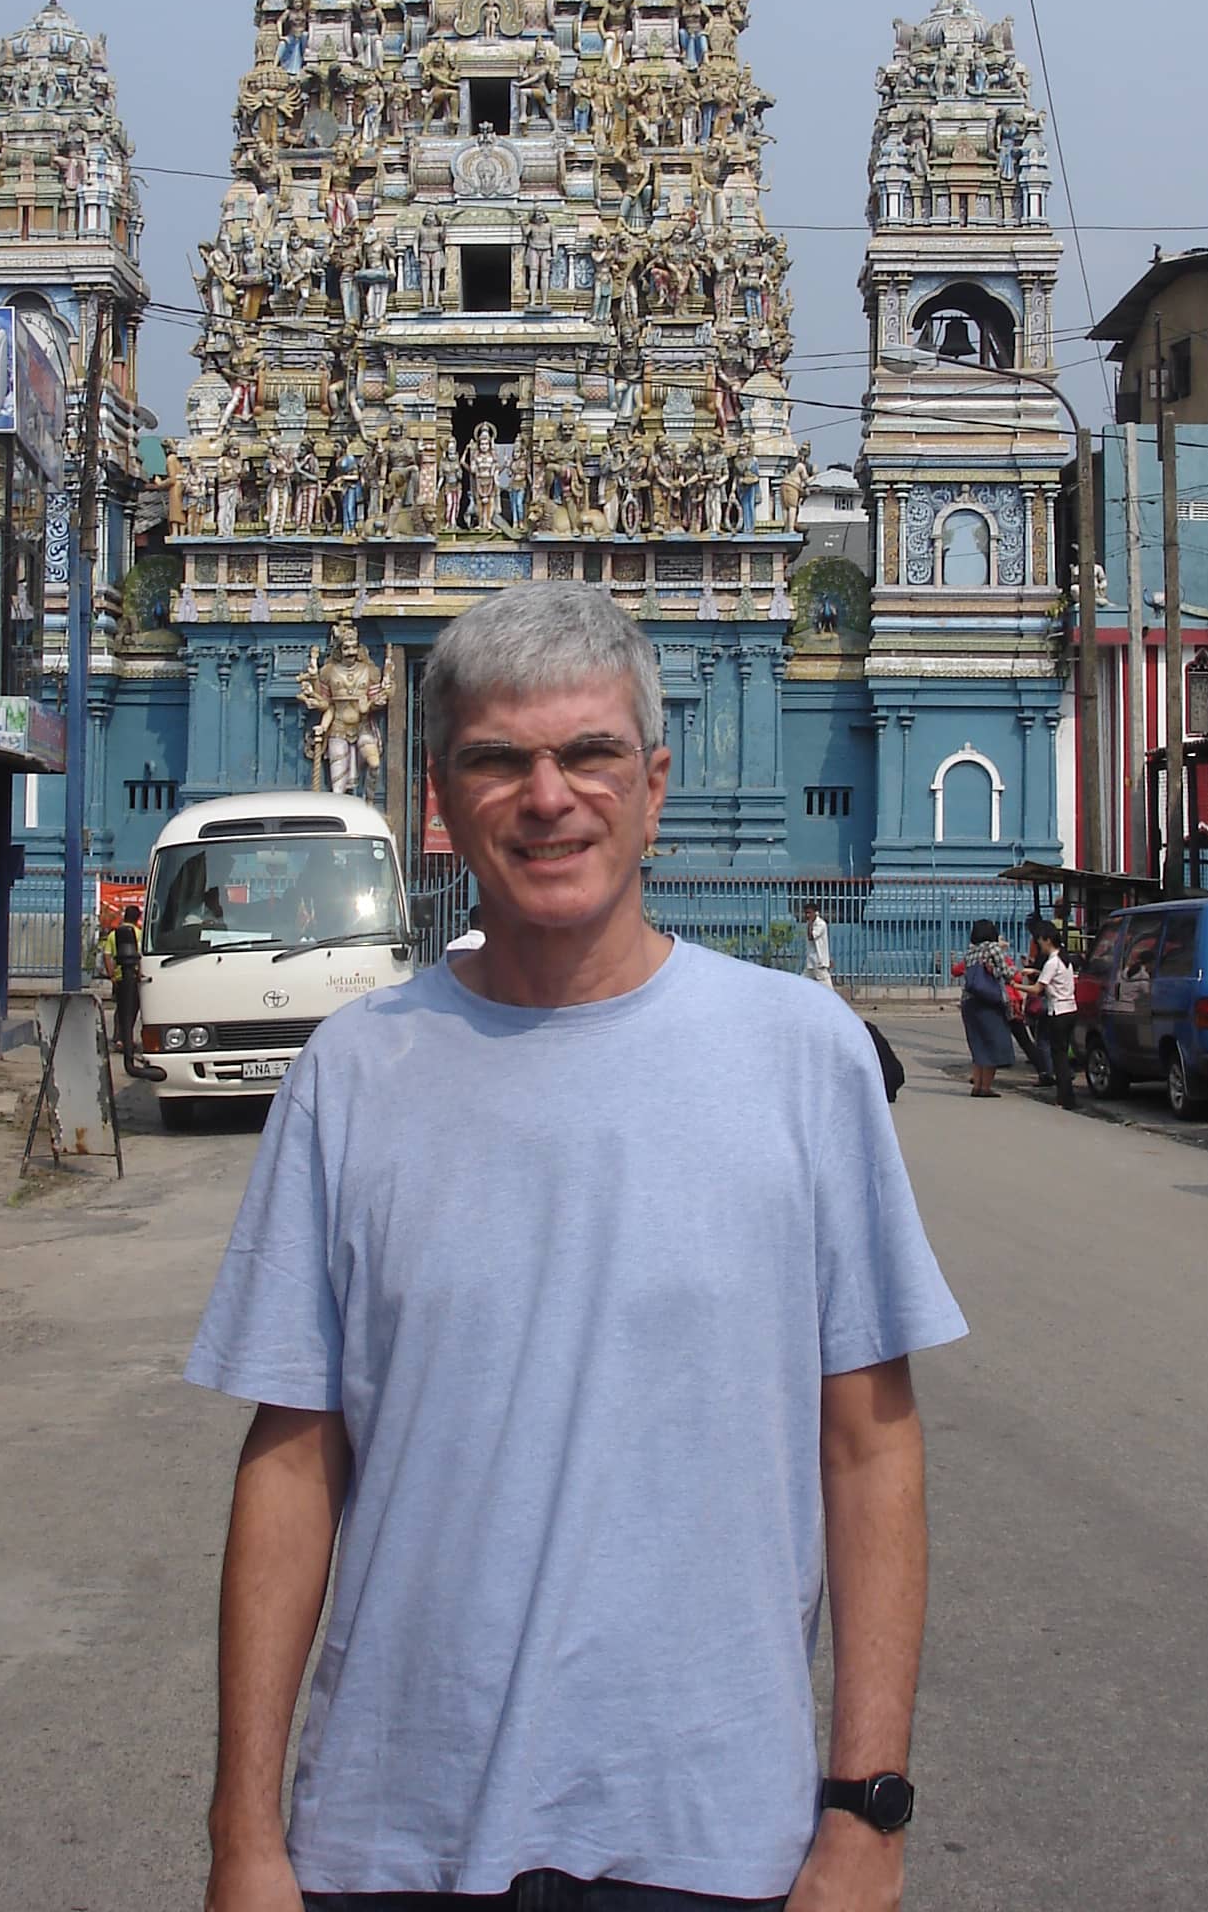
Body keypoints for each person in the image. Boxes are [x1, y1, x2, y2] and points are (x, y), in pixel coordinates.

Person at [187, 582, 965, 1912]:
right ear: (440, 797)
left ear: (655, 785)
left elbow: (871, 1444)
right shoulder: (353, 1072)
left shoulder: (803, 1057)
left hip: (715, 1842)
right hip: (391, 1839)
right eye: (500, 760)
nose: (548, 797)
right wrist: (245, 1839)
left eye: (590, 753)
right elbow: (292, 1458)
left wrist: (866, 1816)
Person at [1022, 925, 1080, 1110]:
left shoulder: (1052, 962)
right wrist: (1034, 972)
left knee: (1059, 1058)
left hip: (1058, 1012)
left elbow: (1037, 989)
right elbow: (1053, 979)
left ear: (1047, 940)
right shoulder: (1065, 960)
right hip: (1071, 1009)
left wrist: (1015, 985)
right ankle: (1066, 1097)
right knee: (1062, 1054)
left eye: (1040, 941)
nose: (1039, 945)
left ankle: (1065, 1099)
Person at [958, 918, 1016, 1098]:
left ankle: (977, 1086)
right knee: (993, 1042)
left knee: (978, 1044)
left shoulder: (970, 952)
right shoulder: (992, 948)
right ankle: (985, 1087)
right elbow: (1006, 972)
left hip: (969, 1001)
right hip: (988, 1001)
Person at [110, 905, 142, 1064]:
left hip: (118, 977)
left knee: (120, 1008)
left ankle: (119, 1038)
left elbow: (107, 956)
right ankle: (127, 1039)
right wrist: (140, 973)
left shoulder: (113, 934)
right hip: (133, 977)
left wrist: (112, 976)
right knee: (132, 1008)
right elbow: (141, 956)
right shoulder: (138, 934)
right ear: (138, 917)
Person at [803, 902, 834, 987]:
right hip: (811, 960)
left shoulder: (820, 924)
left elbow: (811, 937)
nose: (807, 915)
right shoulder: (810, 924)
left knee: (826, 984)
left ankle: (832, 999)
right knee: (803, 981)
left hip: (818, 960)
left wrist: (809, 924)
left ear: (816, 913)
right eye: (806, 913)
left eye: (809, 913)